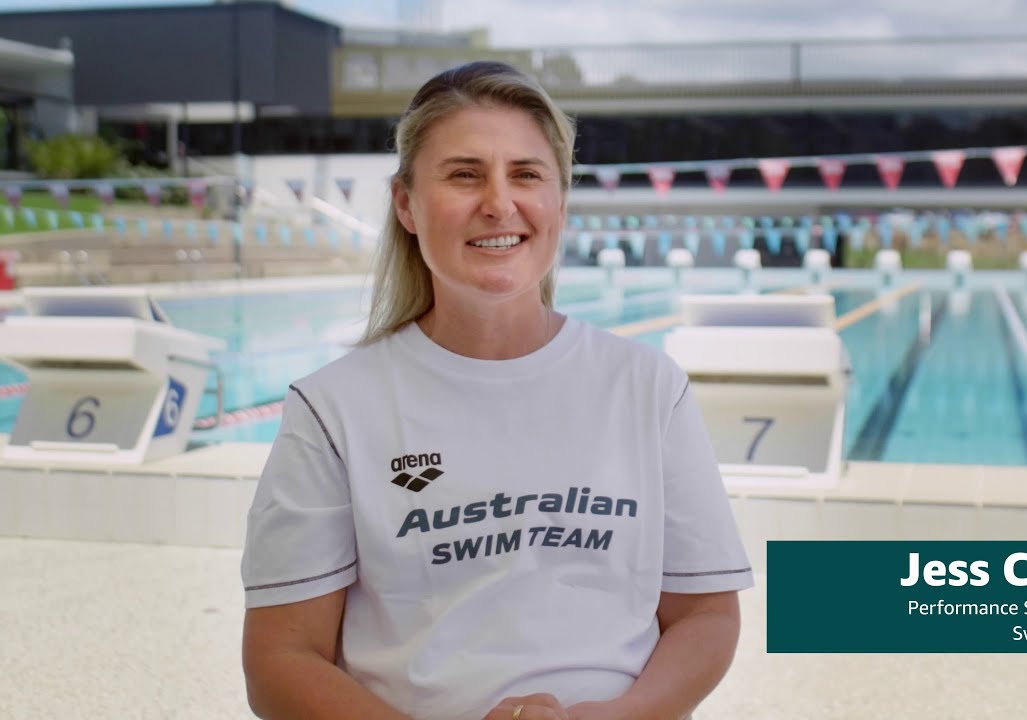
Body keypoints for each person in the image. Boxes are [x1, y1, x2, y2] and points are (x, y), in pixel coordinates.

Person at [239, 61, 752, 720]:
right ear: (406, 205)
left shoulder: (647, 387)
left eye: (527, 174)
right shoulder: (335, 408)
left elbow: (706, 615)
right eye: (464, 174)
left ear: (560, 200)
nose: (500, 203)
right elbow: (280, 661)